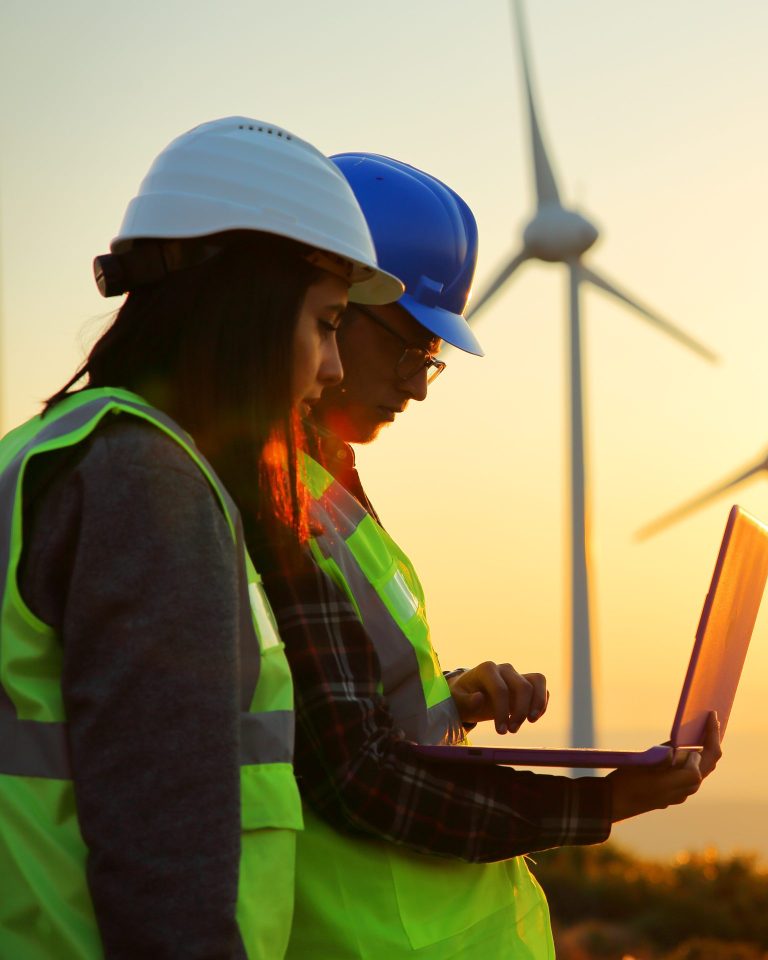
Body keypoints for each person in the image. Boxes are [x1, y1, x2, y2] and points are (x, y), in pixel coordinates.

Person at [266, 152, 720, 960]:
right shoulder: (267, 500)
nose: (420, 385)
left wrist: (449, 701)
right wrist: (602, 804)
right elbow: (350, 774)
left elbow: (334, 704)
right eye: (411, 346)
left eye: (433, 360)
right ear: (329, 304)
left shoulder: (329, 486)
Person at [0, 117, 402, 960]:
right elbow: (162, 849)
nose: (332, 368)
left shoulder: (56, 452)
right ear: (247, 306)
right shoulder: (147, 487)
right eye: (328, 322)